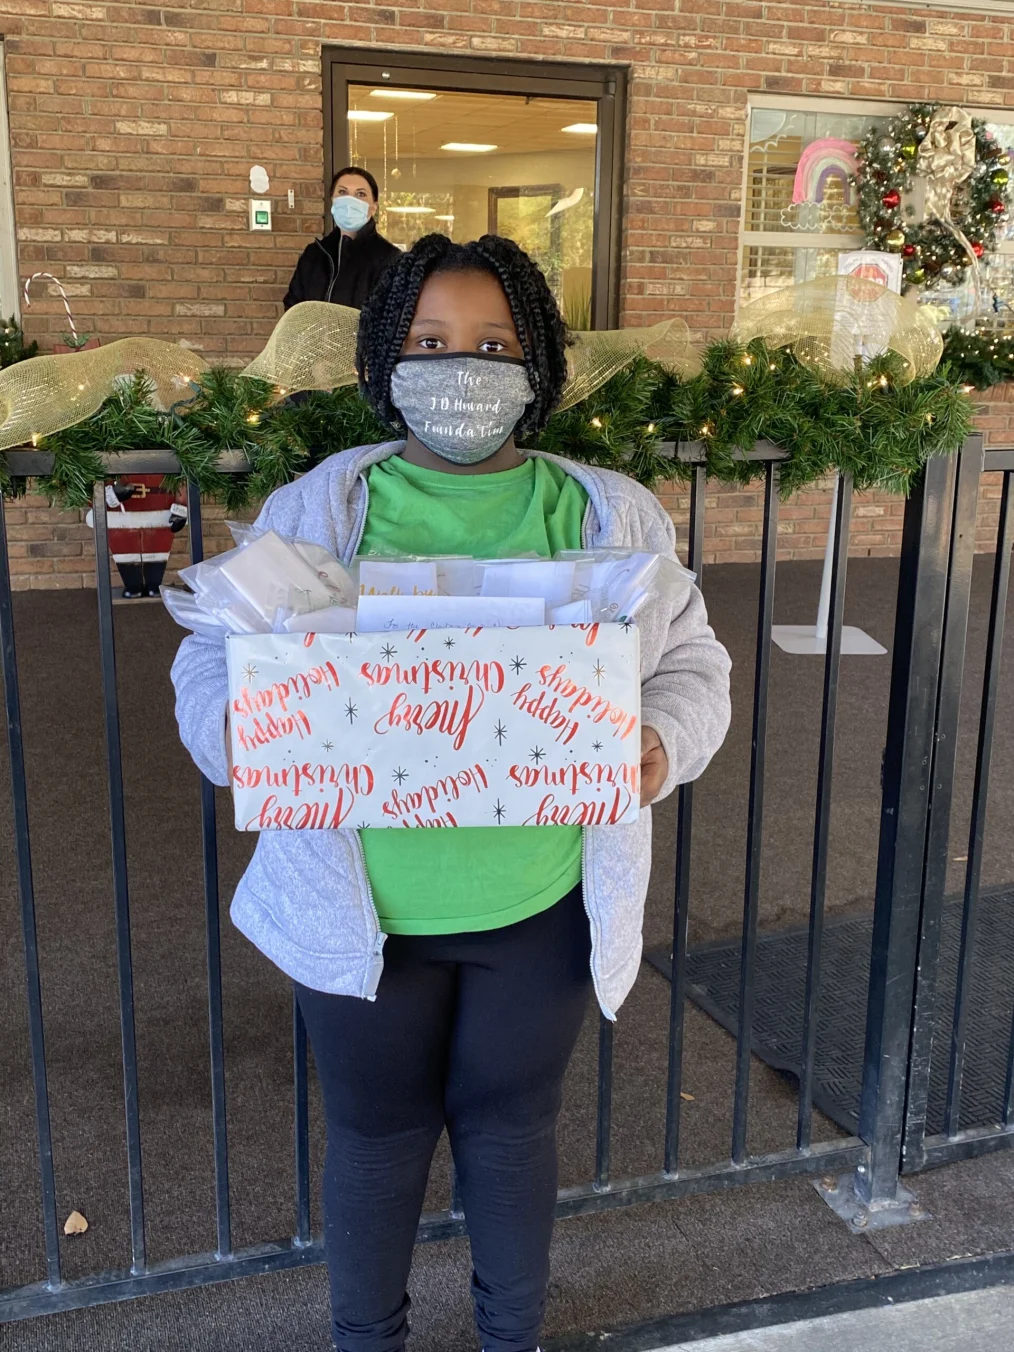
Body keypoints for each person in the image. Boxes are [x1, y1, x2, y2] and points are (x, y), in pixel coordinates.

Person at [172, 234, 731, 1352]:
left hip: (540, 905)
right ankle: (366, 1338)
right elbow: (210, 660)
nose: (460, 367)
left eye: (492, 343)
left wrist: (661, 746)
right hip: (361, 910)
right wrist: (243, 735)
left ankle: (508, 1336)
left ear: (537, 366)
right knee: (377, 1139)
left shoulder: (607, 515)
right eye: (430, 341)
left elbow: (692, 665)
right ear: (387, 357)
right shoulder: (319, 509)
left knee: (514, 1129)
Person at [283, 166, 401, 311]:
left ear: (374, 207)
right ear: (332, 199)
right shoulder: (314, 254)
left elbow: (392, 319)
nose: (350, 200)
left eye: (360, 194)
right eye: (342, 192)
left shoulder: (390, 259)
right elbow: (293, 309)